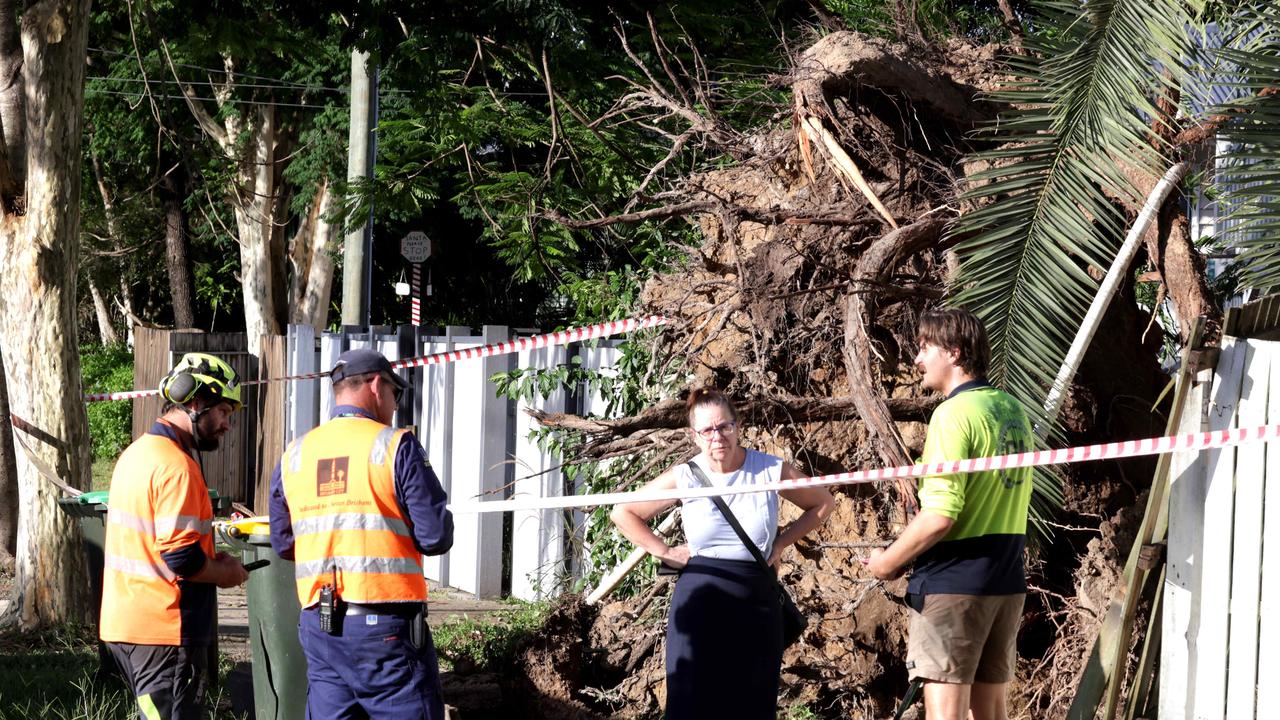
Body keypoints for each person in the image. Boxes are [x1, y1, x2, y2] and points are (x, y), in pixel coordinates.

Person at [610, 387, 835, 719]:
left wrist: (782, 542)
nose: (718, 437)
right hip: (700, 601)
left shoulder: (769, 469)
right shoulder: (686, 475)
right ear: (695, 436)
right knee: (691, 704)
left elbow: (823, 502)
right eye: (707, 430)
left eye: (724, 427)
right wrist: (664, 550)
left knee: (750, 704)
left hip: (755, 599)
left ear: (737, 426)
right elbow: (623, 513)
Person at [863, 308, 1034, 720]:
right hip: (1006, 580)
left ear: (954, 353)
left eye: (925, 349)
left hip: (955, 584)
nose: (917, 360)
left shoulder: (952, 415)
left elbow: (940, 514)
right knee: (991, 714)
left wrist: (885, 563)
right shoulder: (1012, 410)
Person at [269, 348, 453, 719]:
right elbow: (436, 537)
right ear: (374, 386)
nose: (394, 405)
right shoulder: (395, 446)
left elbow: (284, 543)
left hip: (321, 628)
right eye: (394, 394)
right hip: (385, 631)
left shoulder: (294, 455)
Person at [100, 352, 250, 720]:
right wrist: (226, 573)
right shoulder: (176, 467)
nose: (227, 425)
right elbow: (182, 559)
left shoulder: (136, 454)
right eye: (224, 412)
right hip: (164, 631)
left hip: (126, 625)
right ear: (196, 402)